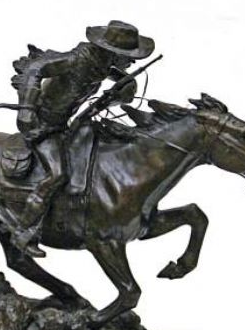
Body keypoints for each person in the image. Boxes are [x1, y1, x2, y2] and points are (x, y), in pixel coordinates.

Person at [8, 20, 155, 257]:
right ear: (113, 52)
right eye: (128, 56)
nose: (132, 62)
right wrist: (26, 109)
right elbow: (35, 69)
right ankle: (23, 231)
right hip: (43, 126)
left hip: (65, 124)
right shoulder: (77, 59)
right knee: (57, 175)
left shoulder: (101, 65)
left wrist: (125, 88)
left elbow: (121, 83)